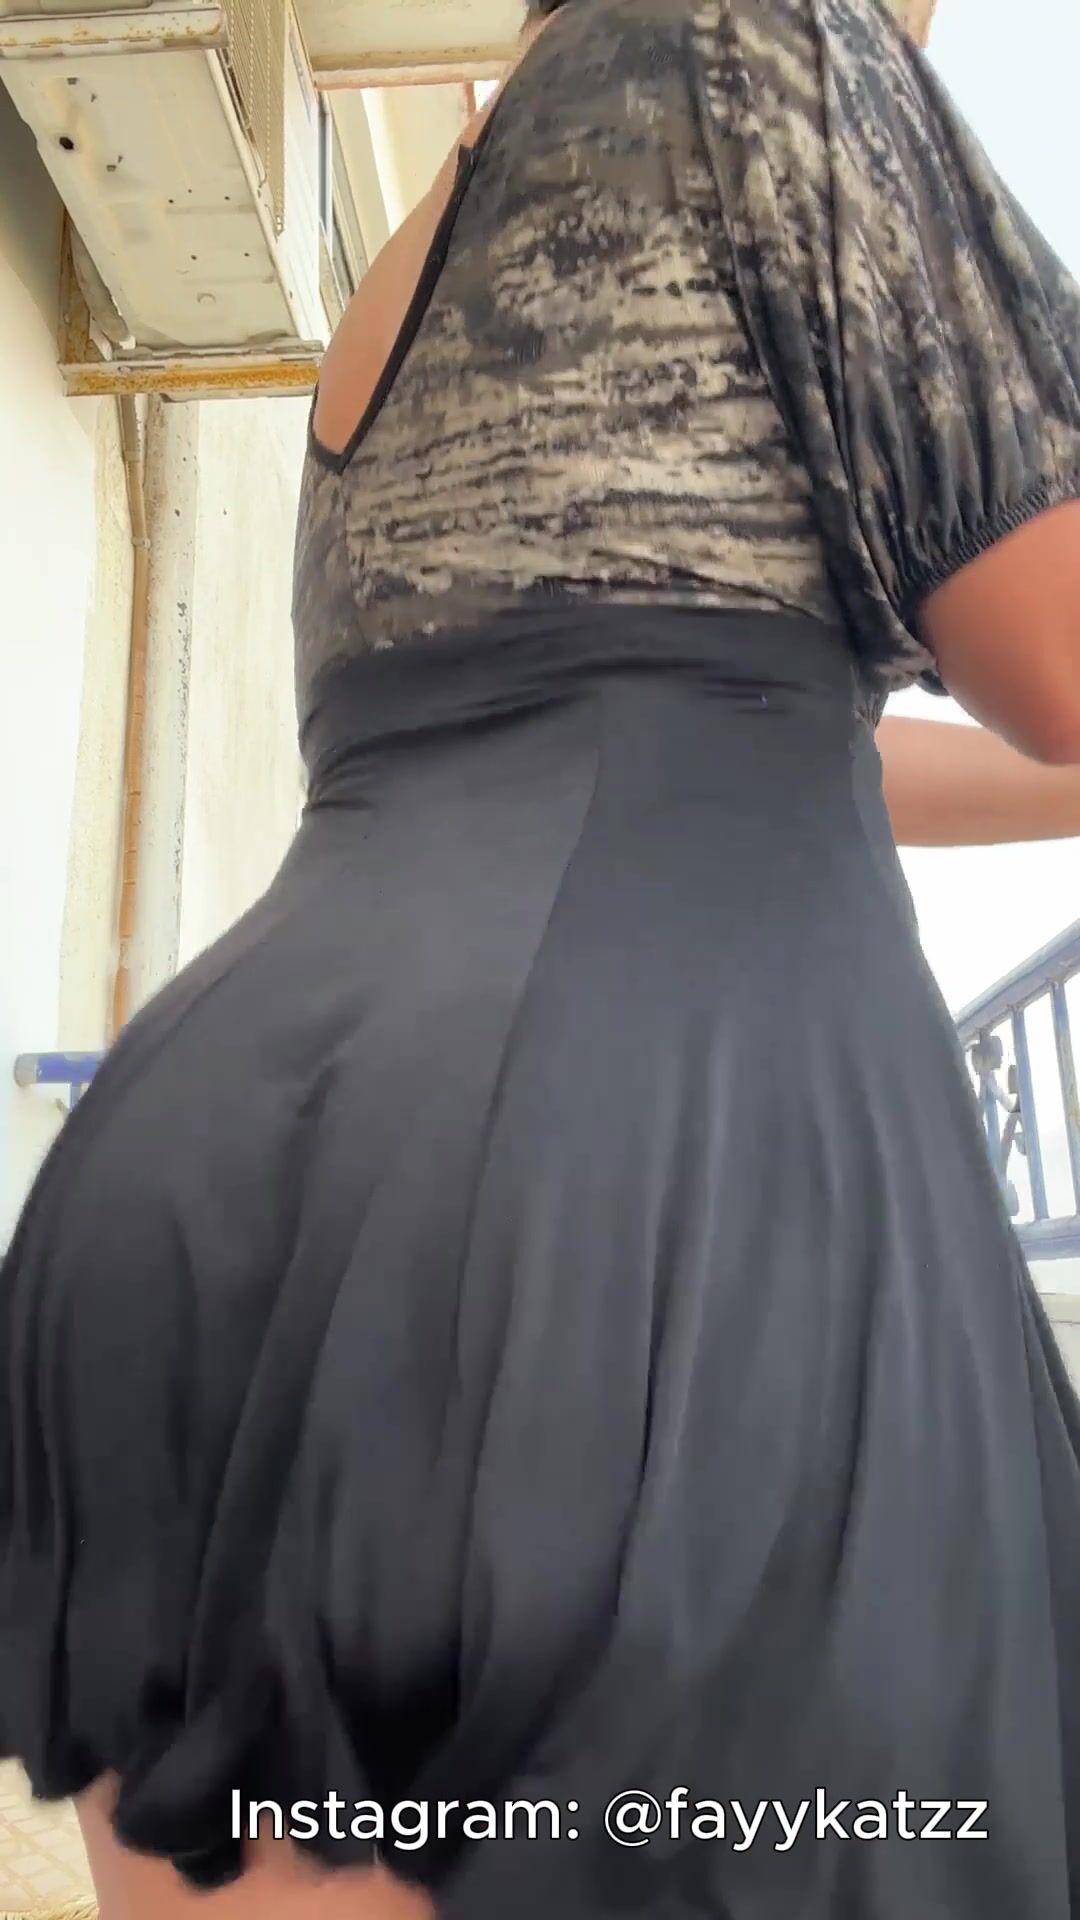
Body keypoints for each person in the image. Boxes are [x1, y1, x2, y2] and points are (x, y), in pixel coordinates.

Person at [3, 1, 1080, 1917]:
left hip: (215, 1188)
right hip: (628, 1210)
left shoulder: (441, 232)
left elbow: (705, 703)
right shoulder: (771, 47)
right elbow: (1057, 654)